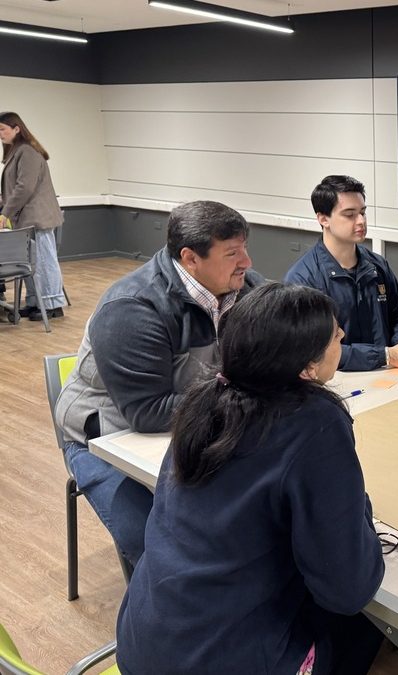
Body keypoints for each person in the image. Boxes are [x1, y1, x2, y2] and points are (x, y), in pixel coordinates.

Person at [116, 283, 385, 674]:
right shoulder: (314, 423)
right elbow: (349, 589)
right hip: (220, 660)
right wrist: (357, 505)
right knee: (367, 625)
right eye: (334, 334)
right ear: (307, 368)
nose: (342, 335)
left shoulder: (204, 399)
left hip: (146, 646)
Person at [55, 200, 263, 567]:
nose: (246, 262)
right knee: (156, 543)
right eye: (232, 253)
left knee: (249, 514)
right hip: (105, 438)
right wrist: (245, 394)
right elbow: (148, 414)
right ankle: (163, 617)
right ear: (190, 258)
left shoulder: (243, 288)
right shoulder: (132, 308)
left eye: (245, 248)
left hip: (195, 425)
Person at [285, 175, 398, 371]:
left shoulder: (377, 265)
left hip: (390, 372)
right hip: (339, 381)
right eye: (349, 214)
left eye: (363, 212)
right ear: (323, 219)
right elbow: (314, 349)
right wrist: (386, 355)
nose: (361, 221)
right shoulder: (303, 279)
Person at [0, 111, 66, 320]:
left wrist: (5, 212)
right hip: (26, 218)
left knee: (45, 261)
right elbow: (16, 188)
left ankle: (53, 305)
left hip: (37, 217)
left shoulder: (27, 151)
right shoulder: (17, 151)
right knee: (30, 263)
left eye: (2, 129)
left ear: (16, 128)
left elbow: (24, 187)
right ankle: (35, 302)